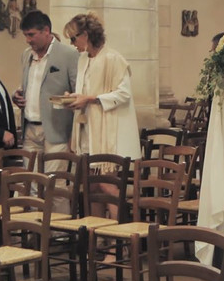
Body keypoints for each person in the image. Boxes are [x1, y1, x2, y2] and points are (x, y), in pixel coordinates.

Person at [63, 13, 141, 219]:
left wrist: (89, 98)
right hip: (88, 129)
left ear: (86, 35)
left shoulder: (113, 59)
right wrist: (73, 98)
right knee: (92, 187)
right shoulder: (82, 59)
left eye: (73, 38)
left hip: (108, 131)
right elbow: (86, 89)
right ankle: (97, 237)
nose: (72, 44)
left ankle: (119, 239)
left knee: (108, 186)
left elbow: (123, 94)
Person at [12, 11, 80, 185]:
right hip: (30, 129)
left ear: (46, 31)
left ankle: (60, 214)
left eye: (31, 35)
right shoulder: (26, 55)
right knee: (31, 184)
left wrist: (74, 133)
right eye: (25, 35)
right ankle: (34, 214)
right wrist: (18, 95)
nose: (28, 40)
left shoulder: (68, 54)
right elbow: (32, 86)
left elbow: (78, 92)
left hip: (56, 129)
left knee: (55, 186)